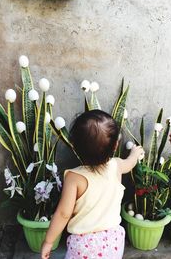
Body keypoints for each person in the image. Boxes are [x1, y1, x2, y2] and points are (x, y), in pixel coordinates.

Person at [41, 109, 144, 259]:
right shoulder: (117, 166)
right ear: (115, 146)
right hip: (113, 241)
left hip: (83, 246)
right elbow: (130, 163)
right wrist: (135, 154)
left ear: (74, 146)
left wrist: (49, 242)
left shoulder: (74, 178)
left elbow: (63, 214)